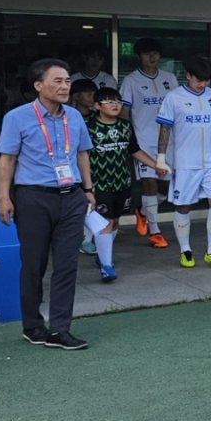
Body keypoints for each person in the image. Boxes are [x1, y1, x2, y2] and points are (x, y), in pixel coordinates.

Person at [0, 58, 94, 350]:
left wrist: (88, 189)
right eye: (57, 81)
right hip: (33, 198)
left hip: (72, 197)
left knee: (67, 265)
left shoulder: (74, 116)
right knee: (33, 264)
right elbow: (7, 159)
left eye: (67, 81)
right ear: (39, 85)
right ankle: (33, 325)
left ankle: (61, 329)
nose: (65, 86)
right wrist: (4, 197)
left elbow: (82, 154)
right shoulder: (17, 117)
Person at [155, 56, 211, 269]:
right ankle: (185, 250)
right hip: (186, 161)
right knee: (183, 205)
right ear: (188, 75)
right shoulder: (173, 98)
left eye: (206, 80)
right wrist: (161, 158)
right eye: (198, 80)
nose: (202, 84)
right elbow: (165, 129)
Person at [118, 37, 175, 248]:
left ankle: (142, 212)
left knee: (165, 187)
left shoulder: (170, 78)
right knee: (149, 183)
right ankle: (155, 231)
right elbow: (124, 112)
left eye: (155, 53)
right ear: (139, 57)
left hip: (168, 142)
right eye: (147, 54)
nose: (152, 57)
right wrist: (127, 139)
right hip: (143, 142)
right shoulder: (131, 81)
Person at [82, 86, 136, 284]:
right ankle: (107, 266)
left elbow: (134, 150)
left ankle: (103, 254)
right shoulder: (88, 127)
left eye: (118, 101)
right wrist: (87, 186)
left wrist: (156, 165)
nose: (115, 105)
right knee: (106, 223)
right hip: (99, 184)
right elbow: (82, 157)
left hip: (122, 182)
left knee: (115, 220)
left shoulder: (126, 126)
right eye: (109, 102)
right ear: (97, 106)